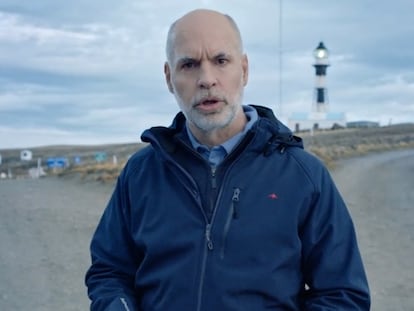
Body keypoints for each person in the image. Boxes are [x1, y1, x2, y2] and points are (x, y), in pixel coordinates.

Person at [85, 8, 370, 311]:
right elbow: (110, 271)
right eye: (189, 64)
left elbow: (342, 295)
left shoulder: (303, 175)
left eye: (221, 61)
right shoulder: (141, 173)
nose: (207, 79)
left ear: (244, 70)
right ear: (169, 78)